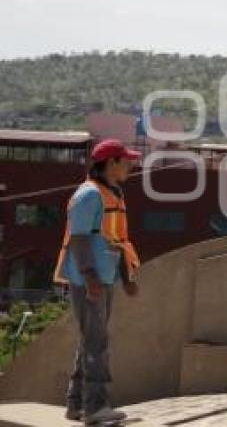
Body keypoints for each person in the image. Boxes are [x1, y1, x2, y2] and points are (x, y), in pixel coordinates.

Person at [53, 139, 142, 424]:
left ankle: (76, 404)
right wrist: (90, 277)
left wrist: (126, 276)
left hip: (104, 276)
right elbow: (79, 239)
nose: (130, 164)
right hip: (89, 280)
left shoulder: (112, 193)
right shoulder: (89, 195)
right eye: (125, 160)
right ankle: (95, 408)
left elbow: (117, 239)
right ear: (111, 163)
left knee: (91, 340)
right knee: (96, 342)